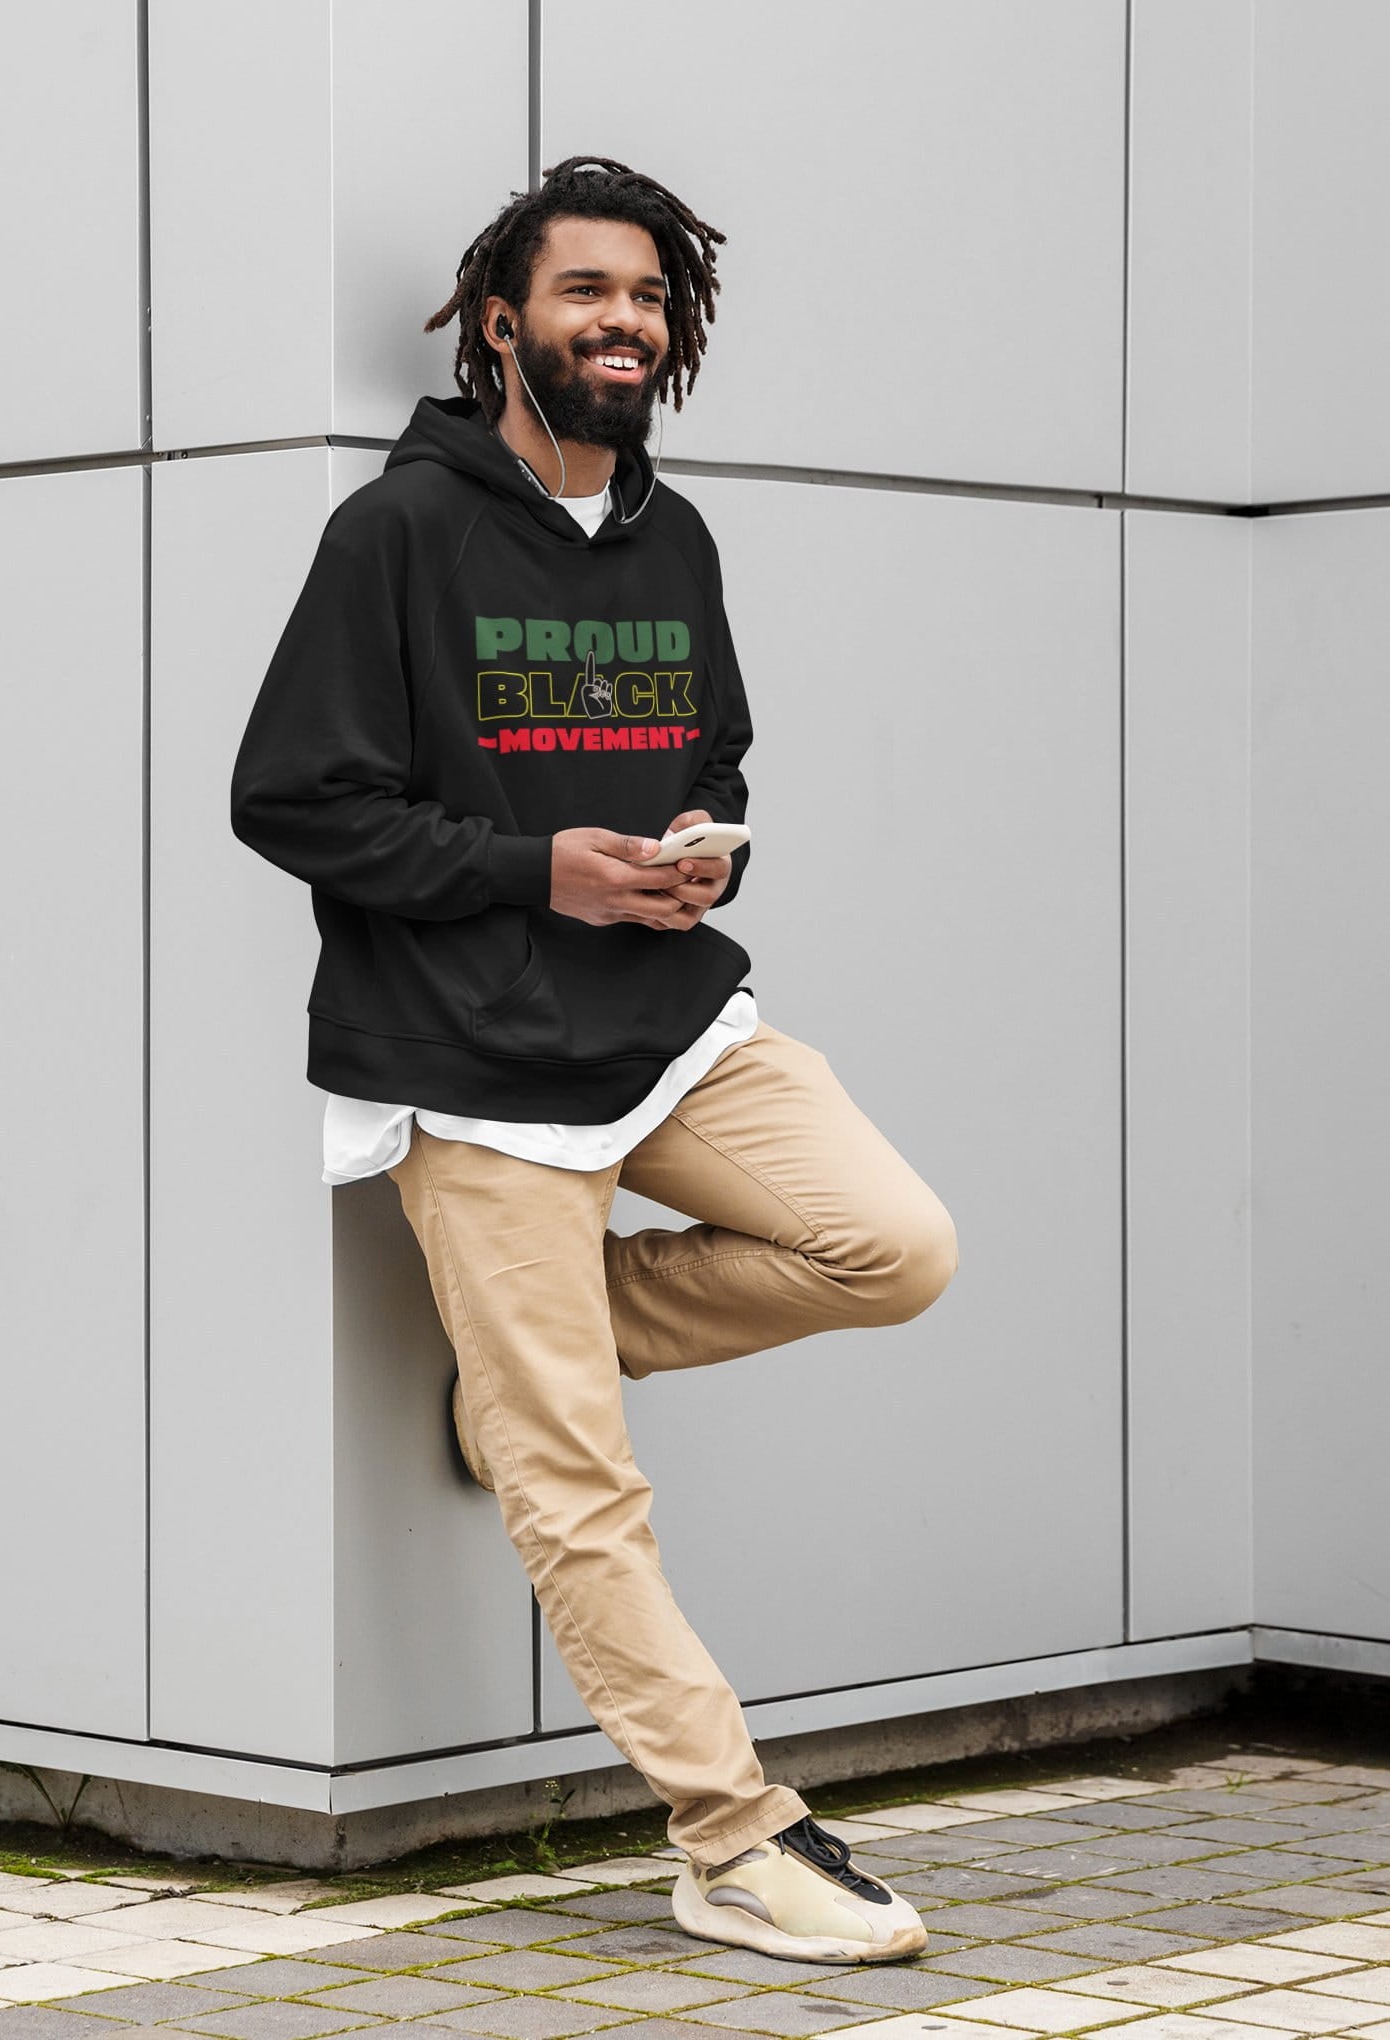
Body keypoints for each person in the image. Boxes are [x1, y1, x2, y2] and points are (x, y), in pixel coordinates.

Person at [230, 156, 959, 1965]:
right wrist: (524, 869)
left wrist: (704, 836)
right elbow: (292, 799)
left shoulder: (674, 533)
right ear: (504, 323)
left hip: (665, 1018)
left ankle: (520, 1360)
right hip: (467, 1059)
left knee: (895, 1245)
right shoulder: (393, 535)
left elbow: (711, 743)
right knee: (580, 1489)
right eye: (583, 296)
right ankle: (734, 1836)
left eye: (644, 297)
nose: (620, 322)